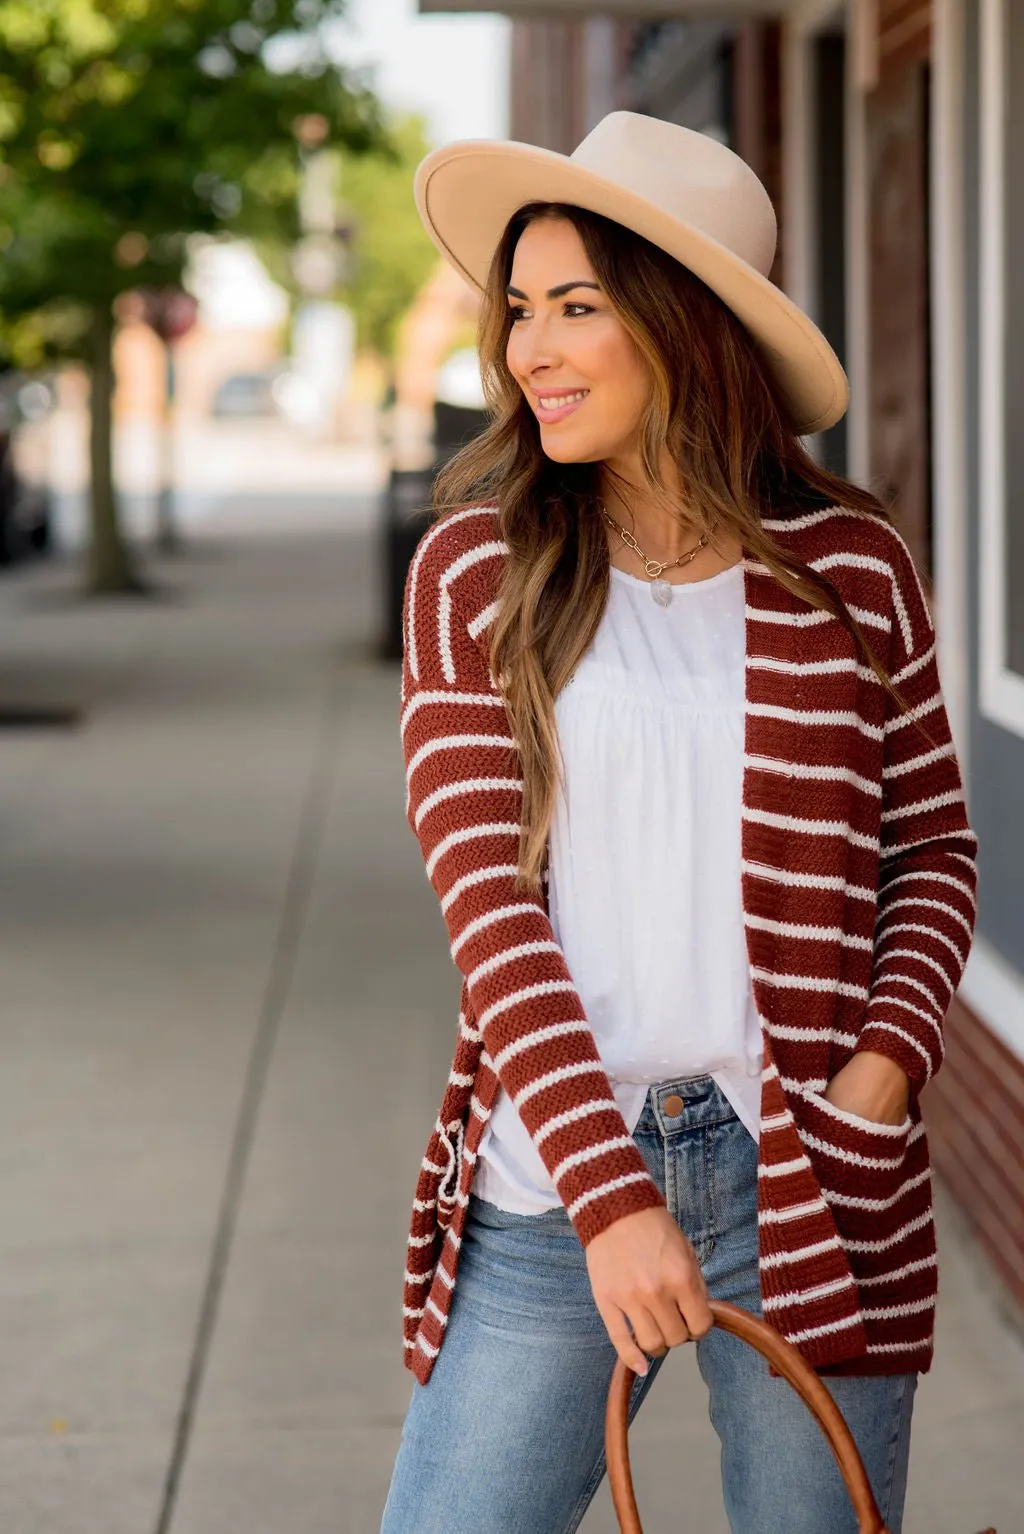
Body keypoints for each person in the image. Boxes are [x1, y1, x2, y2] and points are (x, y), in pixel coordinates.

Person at [381, 112, 977, 1534]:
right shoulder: (480, 569)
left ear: (686, 321)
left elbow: (935, 850)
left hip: (814, 1174)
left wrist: (881, 1075)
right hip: (553, 1187)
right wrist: (613, 1196)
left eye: (577, 307)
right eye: (520, 309)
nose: (530, 350)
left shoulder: (853, 565)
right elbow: (489, 907)